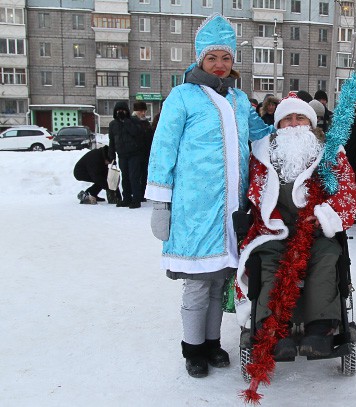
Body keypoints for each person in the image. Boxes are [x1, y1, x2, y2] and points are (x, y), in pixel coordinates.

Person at [144, 13, 274, 378]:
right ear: (200, 59)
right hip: (194, 210)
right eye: (212, 58)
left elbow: (261, 134)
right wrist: (161, 203)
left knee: (220, 281)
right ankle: (193, 350)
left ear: (233, 62)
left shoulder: (238, 99)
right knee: (199, 282)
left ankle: (213, 344)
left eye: (226, 58)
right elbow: (163, 150)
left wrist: (295, 124)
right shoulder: (182, 97)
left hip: (232, 210)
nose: (219, 65)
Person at [235, 95, 356, 357]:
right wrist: (270, 218)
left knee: (326, 257)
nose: (293, 124)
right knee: (267, 261)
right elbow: (254, 192)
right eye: (286, 119)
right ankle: (273, 329)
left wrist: (325, 214)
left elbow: (347, 191)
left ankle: (320, 328)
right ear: (278, 125)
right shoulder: (262, 154)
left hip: (315, 229)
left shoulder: (329, 153)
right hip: (274, 228)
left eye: (299, 118)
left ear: (311, 123)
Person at [108, 101, 146, 209]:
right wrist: (111, 155)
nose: (121, 112)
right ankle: (127, 198)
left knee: (134, 177)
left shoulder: (133, 121)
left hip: (134, 154)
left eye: (123, 110)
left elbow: (136, 133)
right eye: (119, 111)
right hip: (122, 155)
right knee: (125, 178)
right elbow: (112, 141)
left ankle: (136, 199)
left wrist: (126, 121)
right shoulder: (113, 124)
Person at [132, 101, 153, 200]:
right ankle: (137, 193)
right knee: (137, 174)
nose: (143, 113)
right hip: (136, 153)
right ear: (136, 111)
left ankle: (143, 193)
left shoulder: (146, 122)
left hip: (146, 152)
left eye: (144, 111)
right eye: (141, 111)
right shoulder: (132, 122)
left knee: (145, 174)